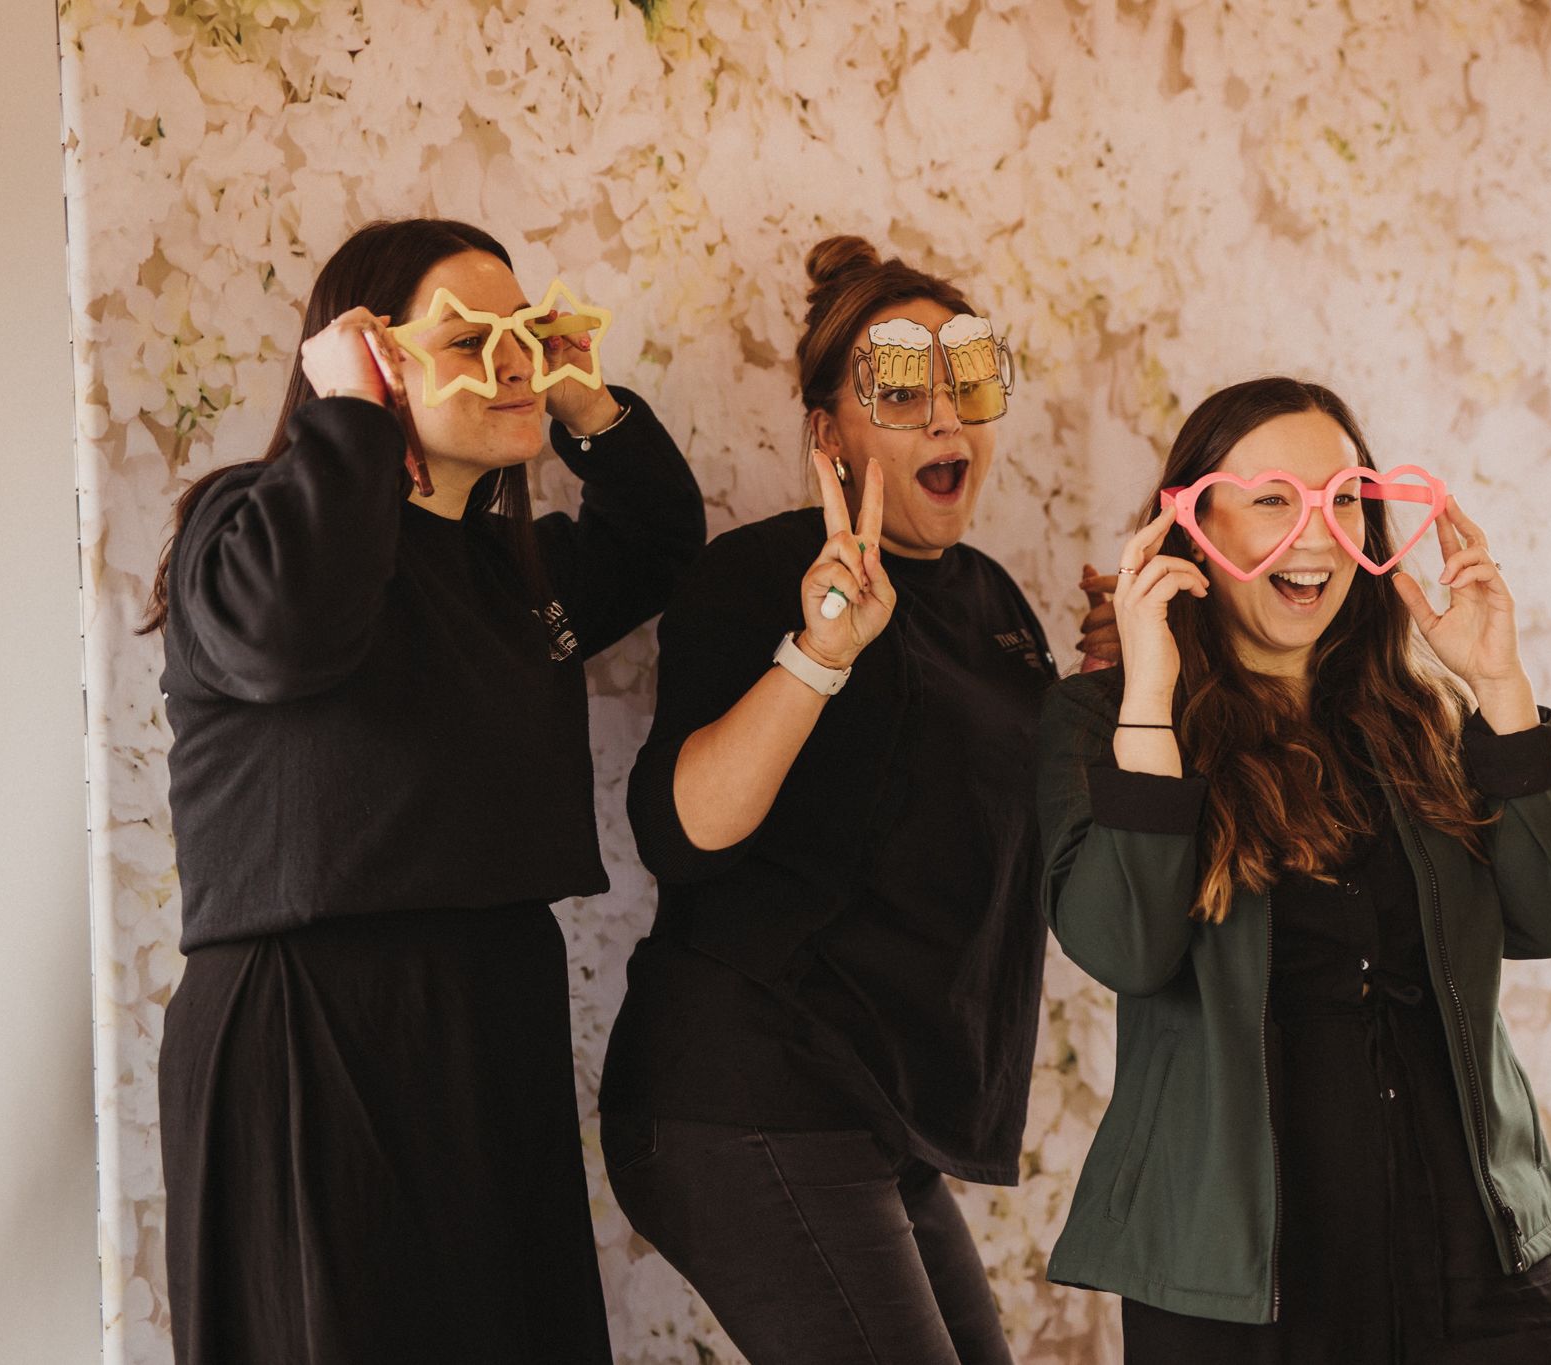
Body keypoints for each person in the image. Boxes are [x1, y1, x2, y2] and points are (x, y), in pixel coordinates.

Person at [146, 216, 705, 1365]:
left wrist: (585, 400)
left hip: (490, 1002)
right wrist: (346, 417)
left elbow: (656, 540)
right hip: (312, 1013)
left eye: (529, 332)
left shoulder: (513, 573)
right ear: (370, 357)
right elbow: (283, 642)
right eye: (469, 338)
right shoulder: (246, 520)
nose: (512, 362)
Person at [600, 236, 1101, 1364]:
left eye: (965, 387)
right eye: (899, 394)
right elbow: (679, 832)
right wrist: (821, 651)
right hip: (743, 1091)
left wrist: (1116, 694)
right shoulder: (760, 573)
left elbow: (1019, 832)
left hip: (878, 1109)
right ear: (828, 433)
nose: (945, 422)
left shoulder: (990, 599)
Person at [1037, 377, 1551, 1362]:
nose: (1312, 532)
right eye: (1270, 499)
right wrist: (1149, 695)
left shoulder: (1417, 718)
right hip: (1242, 1288)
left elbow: (1545, 918)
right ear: (1190, 522)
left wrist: (1499, 687)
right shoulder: (1105, 724)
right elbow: (1126, 947)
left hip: (1474, 1257)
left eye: (1340, 498)